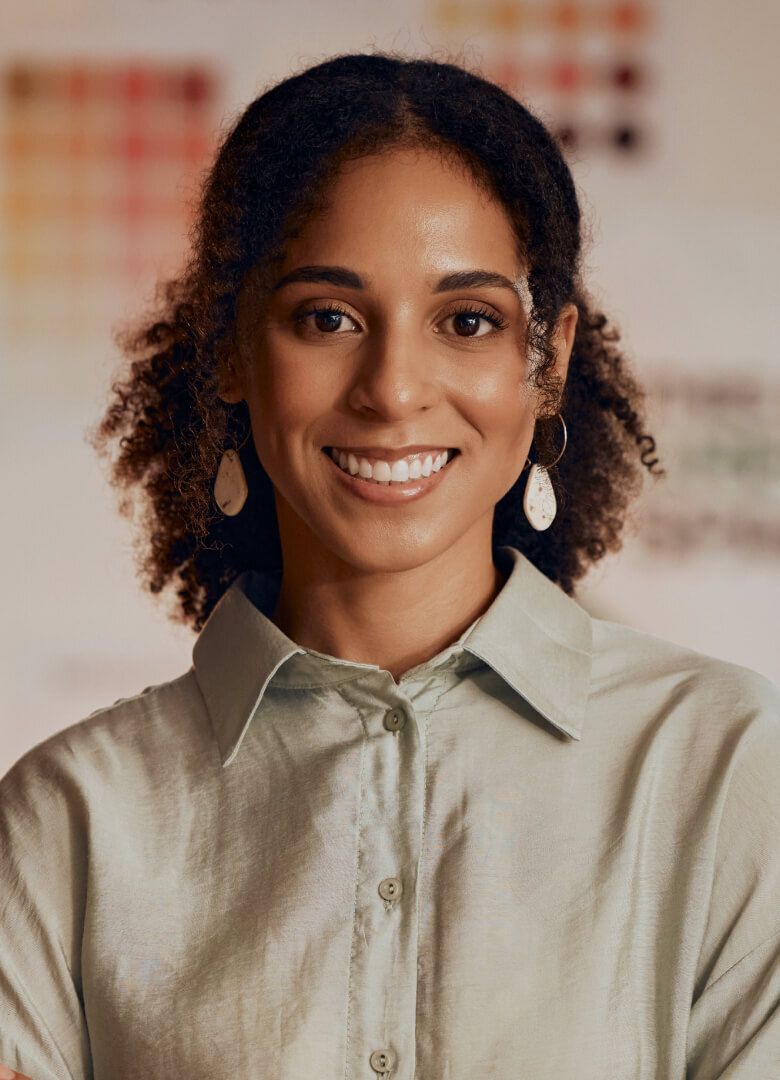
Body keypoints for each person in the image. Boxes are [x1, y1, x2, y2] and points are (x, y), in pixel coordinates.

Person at [0, 51, 778, 1080]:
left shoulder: (727, 771)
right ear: (232, 348)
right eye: (328, 318)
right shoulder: (70, 823)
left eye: (467, 322)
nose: (394, 388)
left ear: (545, 363)